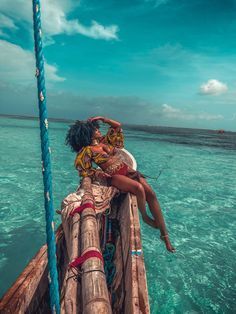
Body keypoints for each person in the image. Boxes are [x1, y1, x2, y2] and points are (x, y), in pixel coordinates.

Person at [66, 116, 175, 253]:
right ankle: (145, 217)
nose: (99, 130)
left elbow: (117, 126)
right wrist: (100, 174)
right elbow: (83, 170)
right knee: (138, 188)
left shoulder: (105, 142)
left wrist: (103, 118)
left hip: (128, 171)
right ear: (87, 133)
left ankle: (165, 236)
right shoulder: (87, 150)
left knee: (152, 195)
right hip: (114, 177)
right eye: (95, 129)